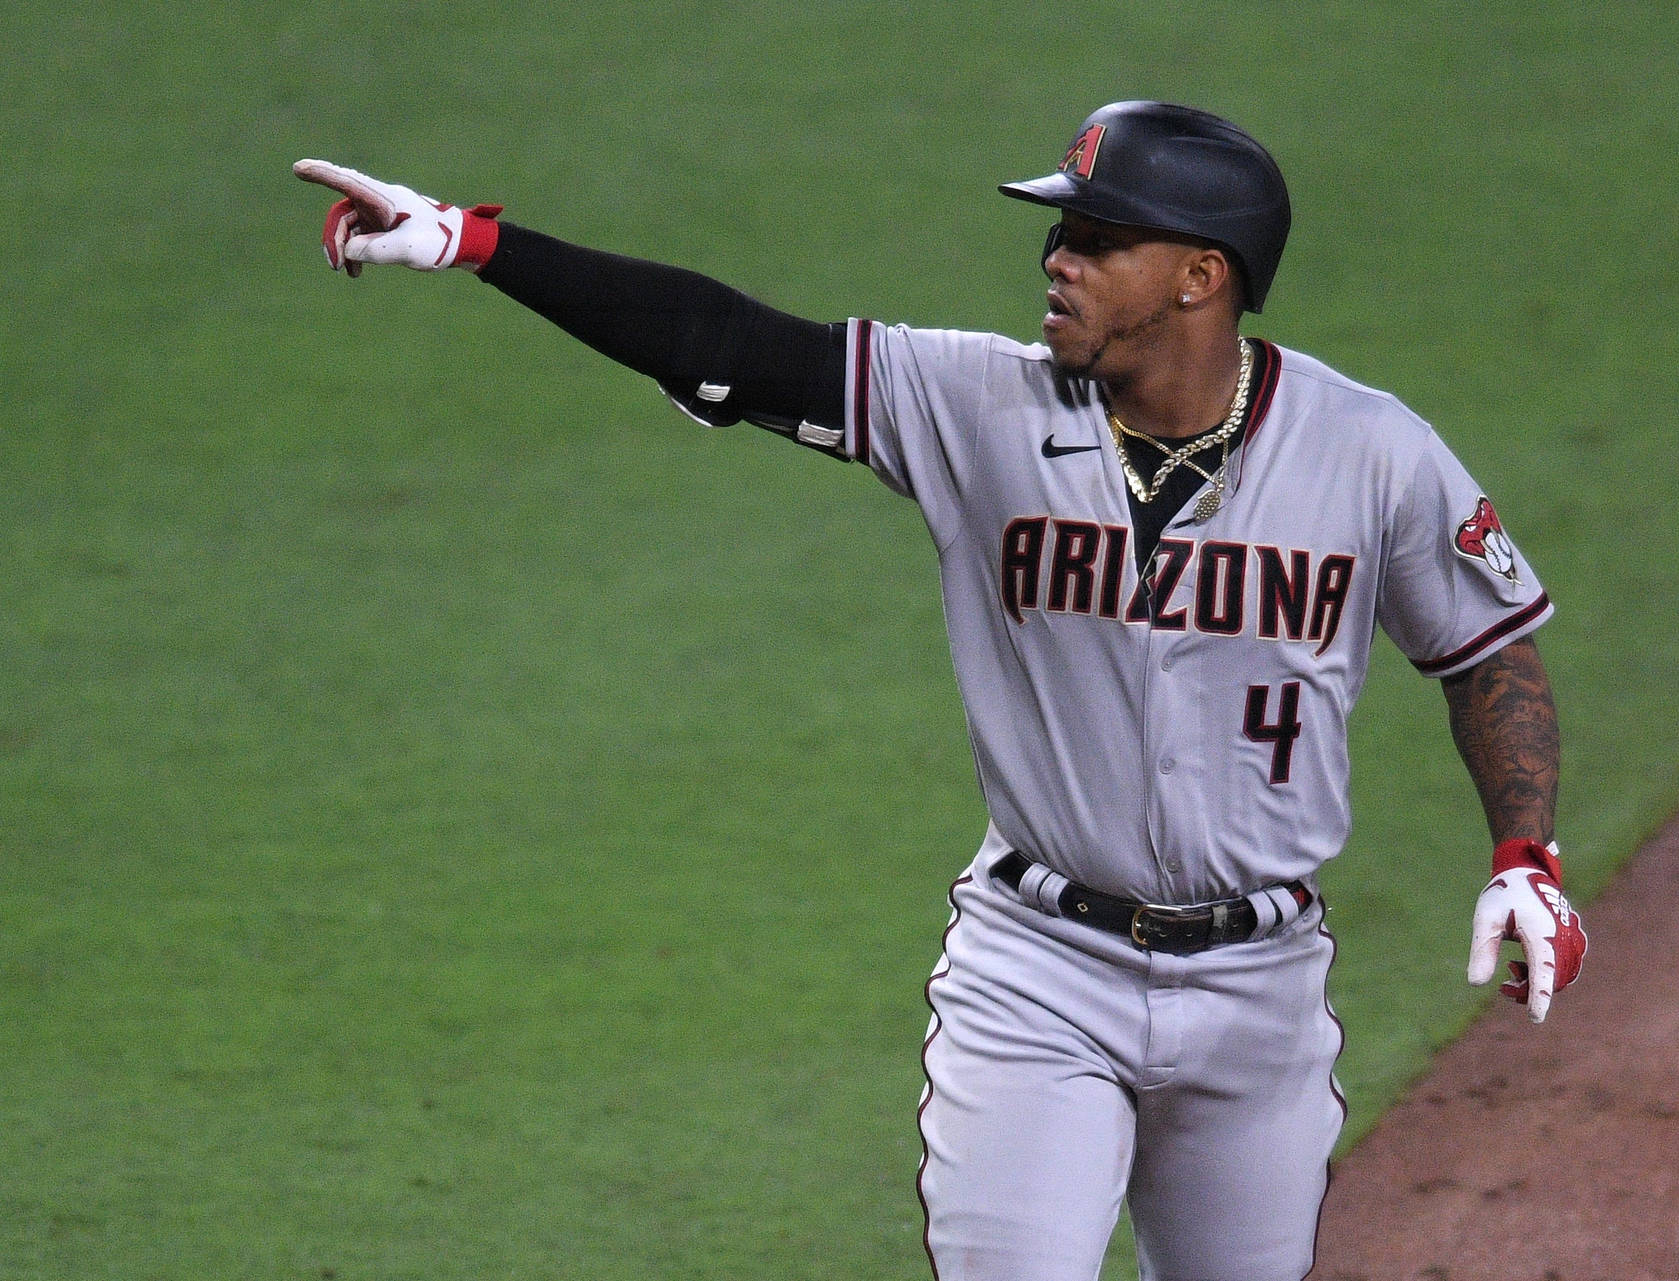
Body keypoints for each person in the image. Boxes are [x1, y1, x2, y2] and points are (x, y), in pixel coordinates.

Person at [295, 99, 1587, 1281]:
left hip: (1261, 990)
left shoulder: (1369, 454)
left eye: (1095, 237)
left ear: (1203, 276)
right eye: (1059, 233)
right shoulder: (973, 404)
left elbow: (1487, 648)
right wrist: (475, 243)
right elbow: (737, 346)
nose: (1055, 260)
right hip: (1040, 973)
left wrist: (1526, 850)